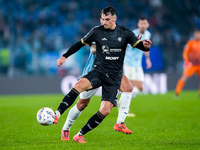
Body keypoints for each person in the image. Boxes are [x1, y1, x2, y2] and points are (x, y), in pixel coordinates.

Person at [55, 6, 152, 143]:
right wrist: (65, 56)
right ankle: (65, 127)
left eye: (106, 19)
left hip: (115, 75)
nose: (103, 22)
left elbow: (140, 46)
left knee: (114, 101)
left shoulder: (125, 33)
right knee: (82, 104)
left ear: (114, 18)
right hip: (96, 71)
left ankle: (113, 124)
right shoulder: (96, 32)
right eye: (102, 19)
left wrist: (146, 46)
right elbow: (80, 44)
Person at [123, 17, 152, 116]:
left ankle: (121, 99)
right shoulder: (133, 34)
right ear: (138, 25)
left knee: (140, 87)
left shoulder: (148, 34)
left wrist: (148, 59)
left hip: (138, 64)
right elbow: (126, 45)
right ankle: (125, 110)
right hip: (129, 63)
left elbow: (146, 48)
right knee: (129, 87)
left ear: (147, 25)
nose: (143, 25)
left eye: (144, 23)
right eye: (141, 23)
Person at [174, 30, 200, 98]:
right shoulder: (190, 43)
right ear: (194, 35)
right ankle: (177, 93)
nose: (197, 36)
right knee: (184, 77)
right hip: (192, 64)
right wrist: (187, 61)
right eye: (196, 34)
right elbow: (185, 52)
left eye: (198, 34)